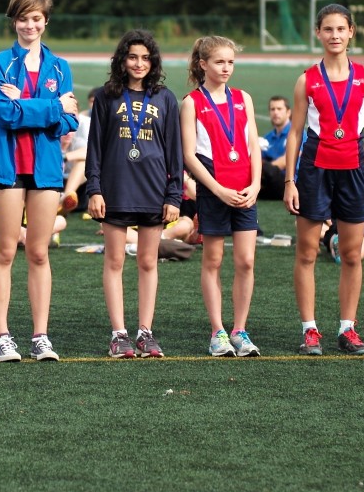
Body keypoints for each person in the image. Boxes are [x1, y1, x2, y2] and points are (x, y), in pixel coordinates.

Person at [284, 3, 364, 356]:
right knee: (306, 253)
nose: (334, 35)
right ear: (318, 33)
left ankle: (347, 329)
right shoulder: (307, 79)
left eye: (340, 29)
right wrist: (289, 180)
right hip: (314, 170)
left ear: (351, 32)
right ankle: (310, 330)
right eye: (327, 29)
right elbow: (295, 132)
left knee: (351, 254)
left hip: (352, 171)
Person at [0, 0, 79, 362]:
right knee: (5, 250)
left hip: (47, 167)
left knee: (38, 252)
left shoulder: (60, 67)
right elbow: (6, 114)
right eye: (23, 18)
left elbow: (69, 120)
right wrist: (51, 106)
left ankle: (40, 336)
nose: (30, 24)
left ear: (45, 22)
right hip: (5, 164)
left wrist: (28, 104)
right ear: (13, 21)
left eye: (36, 18)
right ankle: (2, 336)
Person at [87, 30, 183, 359]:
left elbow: (175, 152)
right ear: (122, 61)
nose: (139, 63)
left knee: (147, 261)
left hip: (154, 190)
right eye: (132, 57)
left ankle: (145, 332)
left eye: (145, 58)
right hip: (116, 189)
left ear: (153, 62)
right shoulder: (106, 97)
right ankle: (119, 335)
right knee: (114, 261)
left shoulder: (165, 98)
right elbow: (95, 148)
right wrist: (94, 188)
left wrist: (174, 196)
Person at [181, 36, 264, 358]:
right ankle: (217, 332)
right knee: (213, 260)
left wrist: (256, 185)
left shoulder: (244, 98)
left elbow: (253, 145)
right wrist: (216, 189)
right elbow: (189, 155)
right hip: (214, 188)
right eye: (219, 62)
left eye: (230, 62)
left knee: (246, 261)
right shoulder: (191, 102)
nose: (226, 67)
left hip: (245, 189)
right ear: (203, 64)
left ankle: (240, 330)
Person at [258, 96, 291, 200]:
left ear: (288, 112)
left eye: (279, 109)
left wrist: (264, 169)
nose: (276, 112)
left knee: (267, 169)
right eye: (272, 109)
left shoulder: (296, 134)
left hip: (288, 181)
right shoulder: (268, 137)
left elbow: (286, 161)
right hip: (270, 181)